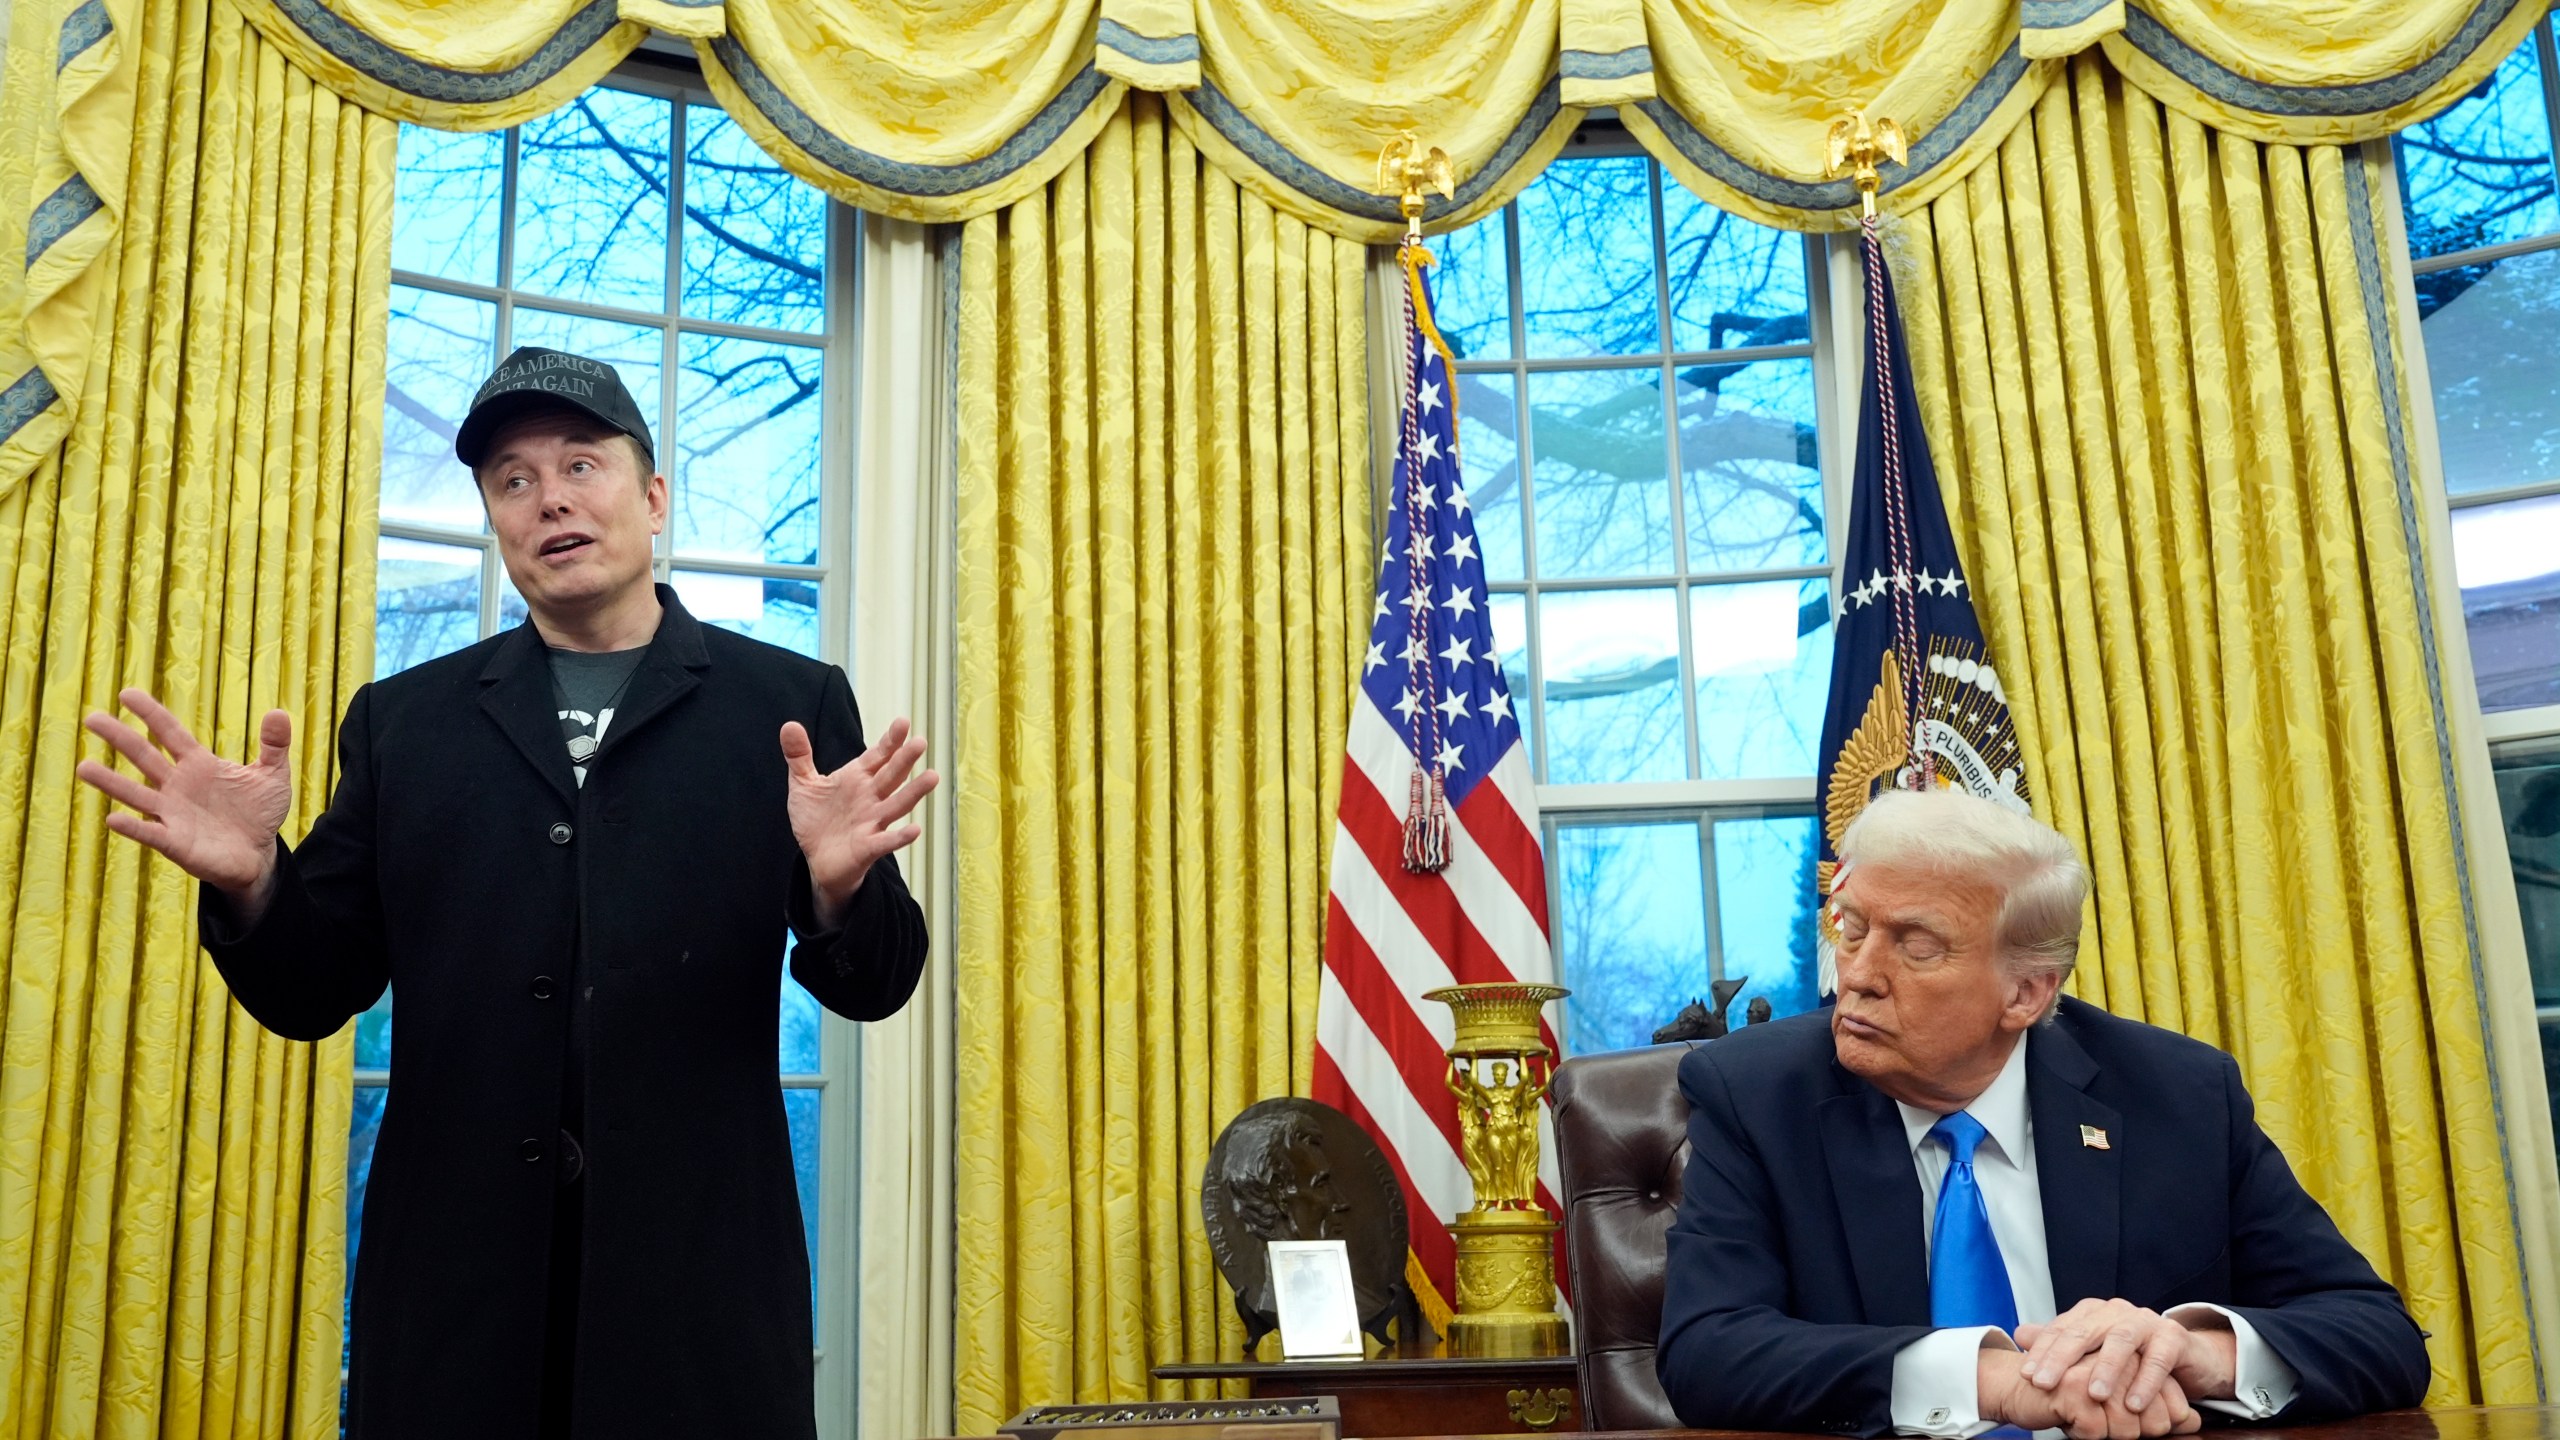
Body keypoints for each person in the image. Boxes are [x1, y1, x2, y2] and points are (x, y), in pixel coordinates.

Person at [75, 346, 935, 1440]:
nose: (551, 499)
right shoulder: (406, 722)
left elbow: (879, 982)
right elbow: (314, 986)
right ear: (493, 515)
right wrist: (256, 883)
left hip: (698, 1293)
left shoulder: (788, 709)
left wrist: (836, 891)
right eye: (514, 480)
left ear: (654, 496)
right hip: (455, 1295)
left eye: (583, 464)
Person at [1656, 788, 2430, 1439]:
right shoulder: (1755, 1094)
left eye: (1915, 945)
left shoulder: (2179, 1097)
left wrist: (2188, 1353)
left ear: (2026, 993)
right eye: (1851, 928)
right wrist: (1994, 1380)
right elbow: (1708, 1351)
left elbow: (2378, 1334)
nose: (1857, 975)